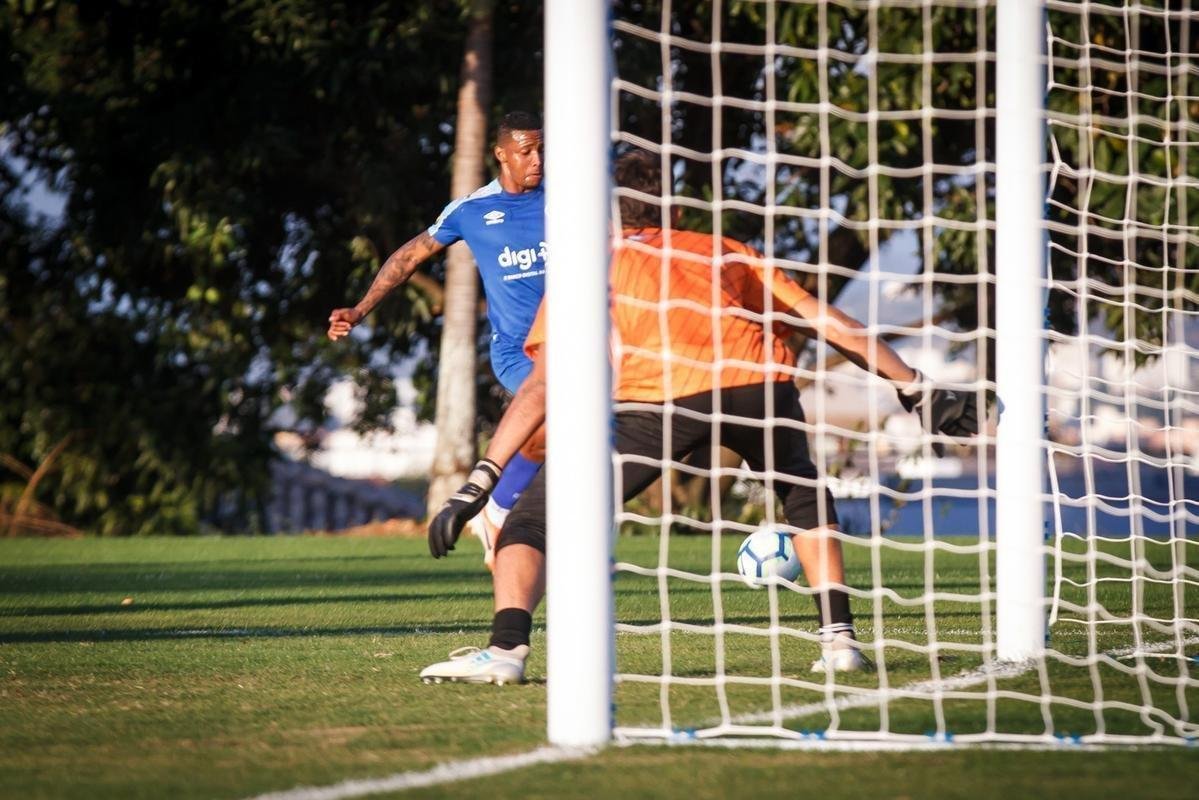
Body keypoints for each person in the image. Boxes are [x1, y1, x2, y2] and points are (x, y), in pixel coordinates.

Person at [418, 149, 979, 685]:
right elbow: (826, 320)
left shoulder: (591, 267)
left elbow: (543, 385)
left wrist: (481, 480)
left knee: (532, 522)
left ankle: (506, 650)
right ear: (676, 210)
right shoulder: (726, 249)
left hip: (663, 401)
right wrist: (914, 385)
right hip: (759, 384)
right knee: (803, 493)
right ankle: (840, 643)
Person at [327, 111, 548, 570]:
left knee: (572, 434)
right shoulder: (471, 211)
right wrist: (360, 309)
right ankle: (499, 506)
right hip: (516, 351)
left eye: (542, 149)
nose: (538, 160)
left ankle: (508, 510)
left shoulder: (565, 201)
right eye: (527, 151)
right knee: (554, 419)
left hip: (573, 349)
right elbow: (409, 257)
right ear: (502, 154)